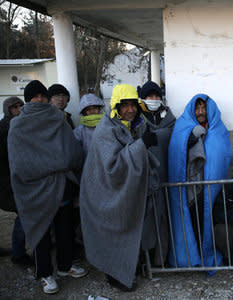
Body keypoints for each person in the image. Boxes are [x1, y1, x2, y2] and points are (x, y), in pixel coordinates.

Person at [8, 80, 87, 295]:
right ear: (27, 100)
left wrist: (59, 164)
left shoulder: (58, 119)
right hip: (33, 190)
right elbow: (20, 162)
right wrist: (55, 164)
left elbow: (70, 152)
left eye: (43, 96)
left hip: (61, 186)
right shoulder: (17, 125)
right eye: (35, 97)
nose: (40, 100)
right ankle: (44, 273)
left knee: (64, 229)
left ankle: (64, 266)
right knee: (39, 232)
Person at [80, 84, 159, 291]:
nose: (130, 109)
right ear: (116, 106)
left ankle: (129, 268)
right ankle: (114, 274)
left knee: (130, 229)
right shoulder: (106, 129)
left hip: (128, 191)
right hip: (106, 191)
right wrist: (141, 145)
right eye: (125, 105)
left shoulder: (138, 125)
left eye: (134, 104)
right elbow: (112, 166)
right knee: (113, 233)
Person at [167, 94, 232, 268]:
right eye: (197, 108)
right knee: (192, 222)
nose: (200, 112)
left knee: (209, 222)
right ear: (192, 110)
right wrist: (192, 137)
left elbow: (223, 153)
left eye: (203, 107)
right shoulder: (183, 127)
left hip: (211, 188)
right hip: (190, 186)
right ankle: (192, 258)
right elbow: (177, 151)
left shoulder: (218, 129)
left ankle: (207, 256)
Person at [138, 81, 176, 267]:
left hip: (166, 178)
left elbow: (178, 137)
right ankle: (146, 262)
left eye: (156, 96)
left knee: (165, 222)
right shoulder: (137, 119)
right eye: (150, 96)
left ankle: (161, 260)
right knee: (146, 223)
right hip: (145, 181)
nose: (154, 99)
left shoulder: (169, 118)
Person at [0, 96, 33, 267]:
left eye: (21, 105)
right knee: (23, 216)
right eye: (15, 107)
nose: (19, 109)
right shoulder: (4, 128)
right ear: (8, 110)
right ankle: (18, 254)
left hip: (19, 179)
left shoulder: (22, 125)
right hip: (9, 181)